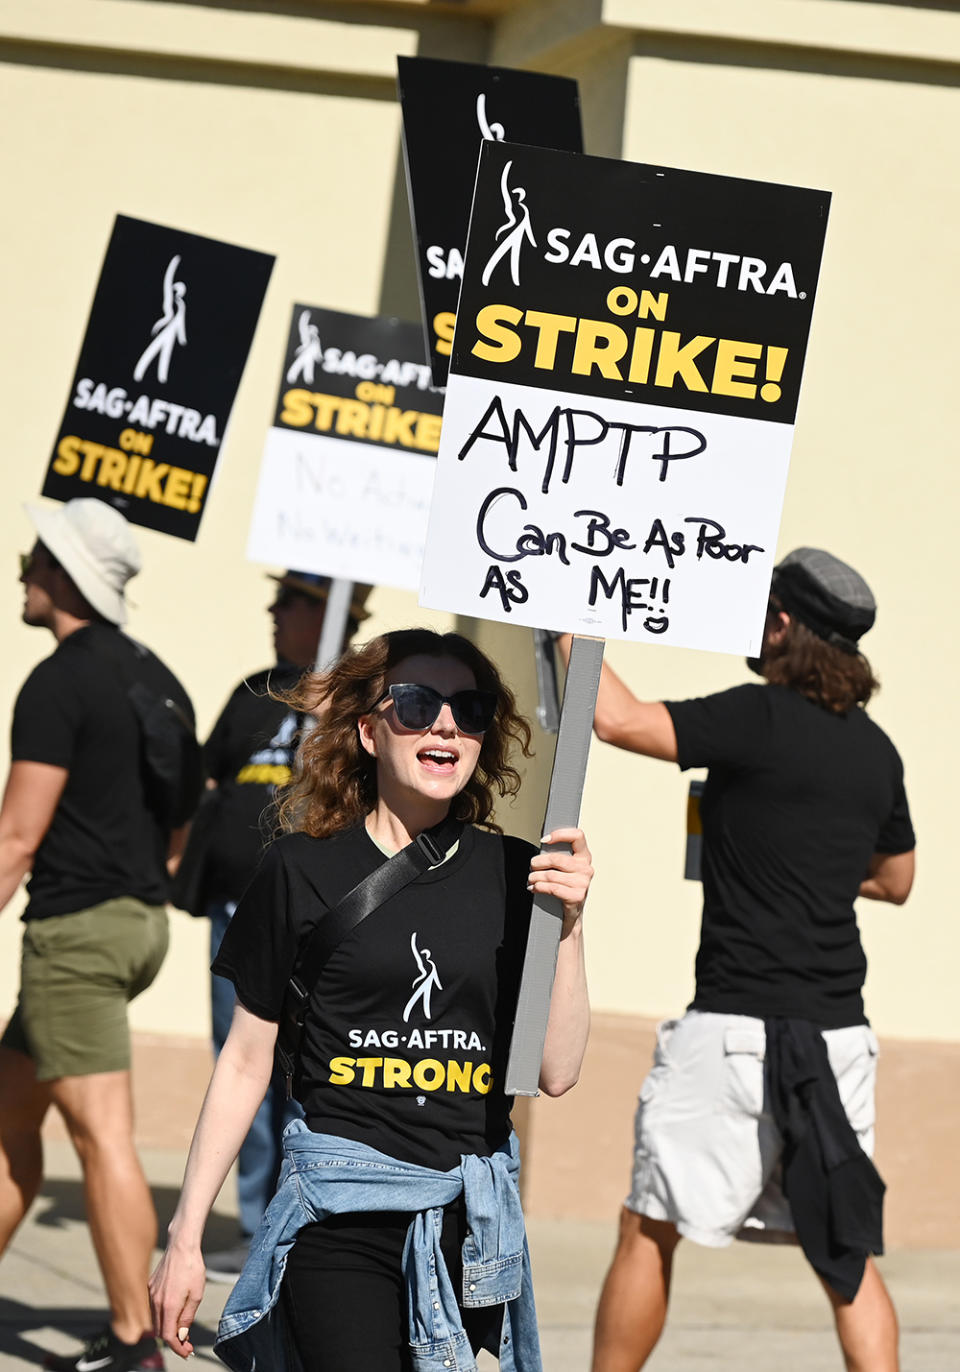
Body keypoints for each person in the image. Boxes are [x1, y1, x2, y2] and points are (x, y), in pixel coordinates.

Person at [150, 627, 593, 1371]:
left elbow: (557, 1070)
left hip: (464, 1225)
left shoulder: (520, 874)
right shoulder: (300, 869)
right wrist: (185, 1238)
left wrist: (570, 930)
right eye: (417, 704)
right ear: (367, 730)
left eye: (469, 708)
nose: (445, 723)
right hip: (339, 1214)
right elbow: (245, 1060)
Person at [569, 548, 916, 1372]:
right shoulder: (877, 752)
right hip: (838, 1036)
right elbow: (897, 880)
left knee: (649, 1227)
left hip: (733, 1030)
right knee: (844, 1255)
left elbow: (618, 720)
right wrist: (817, 869)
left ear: (785, 624)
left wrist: (563, 615)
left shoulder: (757, 718)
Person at [0, 498, 197, 1372]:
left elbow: (15, 838)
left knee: (100, 1135)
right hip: (138, 923)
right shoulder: (157, 676)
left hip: (75, 935)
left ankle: (133, 1344)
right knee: (8, 1118)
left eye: (35, 556)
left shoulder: (59, 683)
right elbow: (182, 819)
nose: (21, 569)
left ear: (63, 573)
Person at [193, 572, 370, 1281]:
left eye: (290, 602)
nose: (275, 614)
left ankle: (299, 1215)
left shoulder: (362, 700)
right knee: (238, 1060)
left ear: (331, 614)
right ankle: (252, 1216)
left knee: (300, 1070)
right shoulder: (254, 692)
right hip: (238, 911)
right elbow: (209, 782)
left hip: (321, 921)